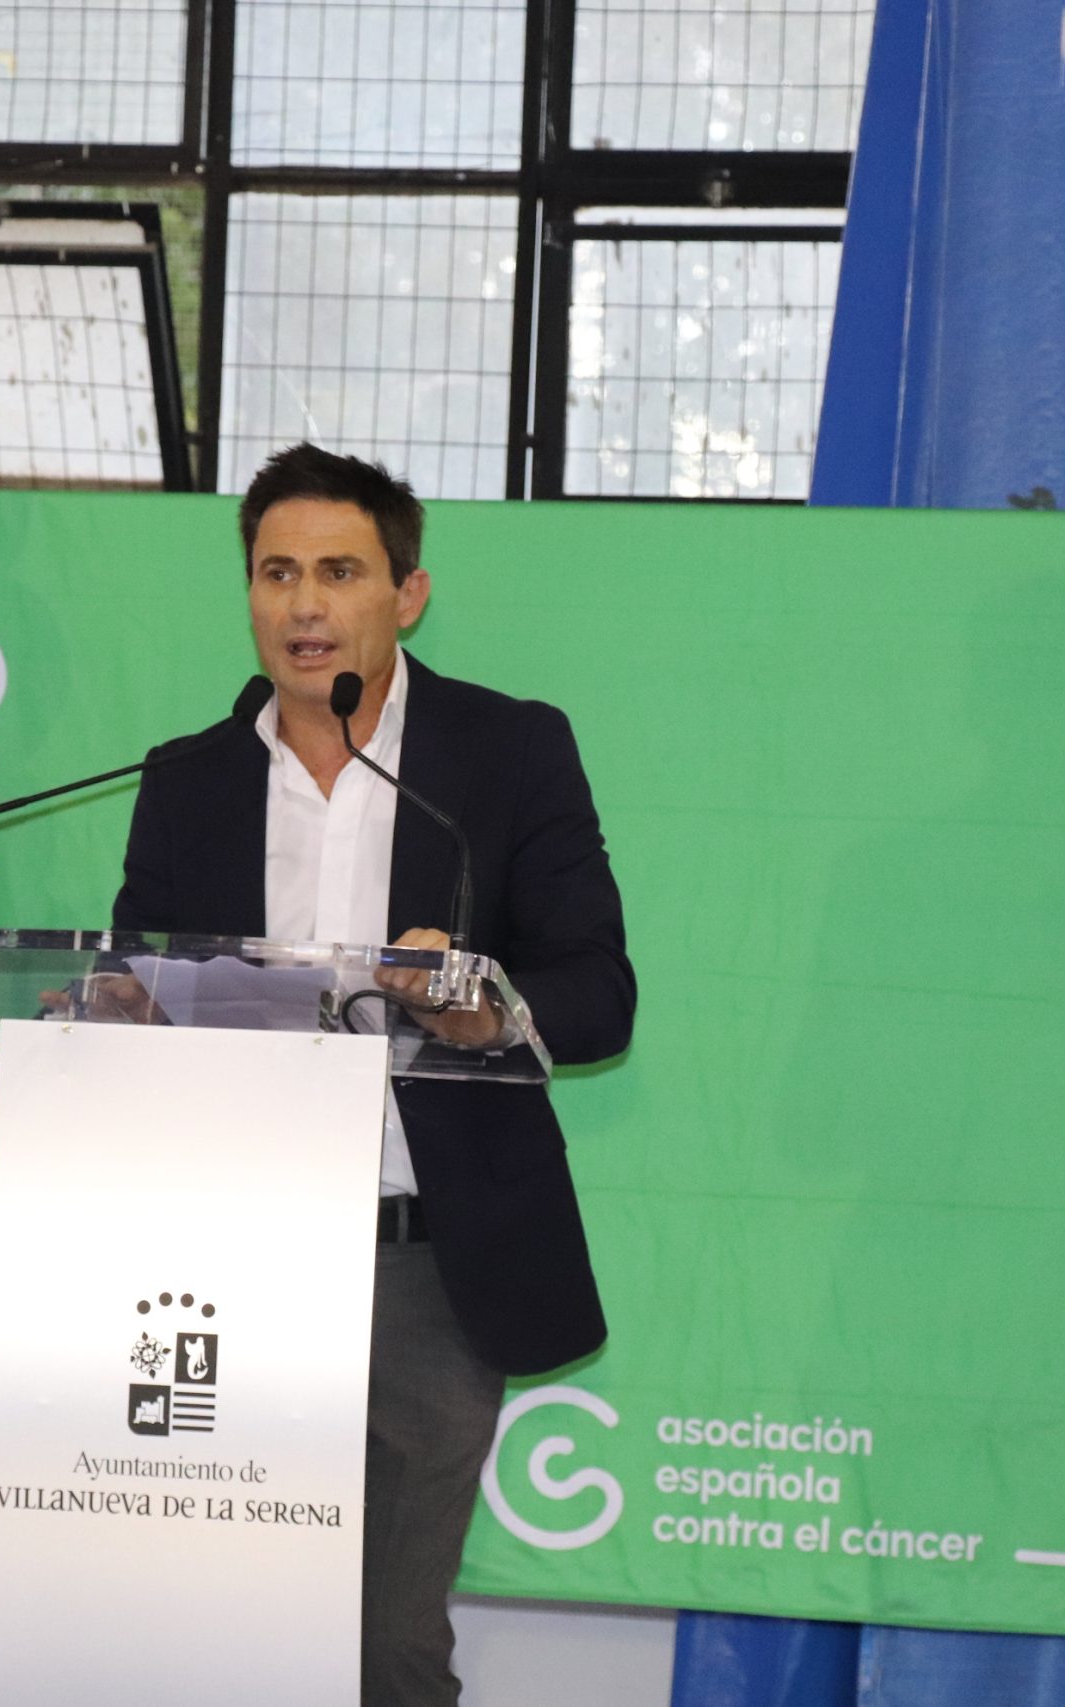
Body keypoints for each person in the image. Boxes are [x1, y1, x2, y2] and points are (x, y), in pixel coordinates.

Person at [111, 443, 636, 1705]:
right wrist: (116, 1012)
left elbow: (598, 990)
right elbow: (136, 982)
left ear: (408, 594)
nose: (304, 604)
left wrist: (482, 1006)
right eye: (276, 572)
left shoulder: (507, 753)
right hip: (228, 1259)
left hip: (427, 1264)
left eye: (339, 572)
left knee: (384, 1648)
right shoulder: (186, 779)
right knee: (229, 1639)